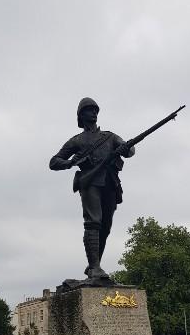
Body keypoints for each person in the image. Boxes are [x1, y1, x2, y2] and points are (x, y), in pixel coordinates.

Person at [50, 98, 135, 280]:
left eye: (95, 110)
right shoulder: (77, 140)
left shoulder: (110, 136)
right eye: (89, 110)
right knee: (93, 222)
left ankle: (93, 266)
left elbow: (130, 150)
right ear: (81, 115)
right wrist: (72, 162)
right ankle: (95, 266)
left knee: (105, 226)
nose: (94, 113)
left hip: (110, 182)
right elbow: (54, 161)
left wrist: (126, 147)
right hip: (90, 182)